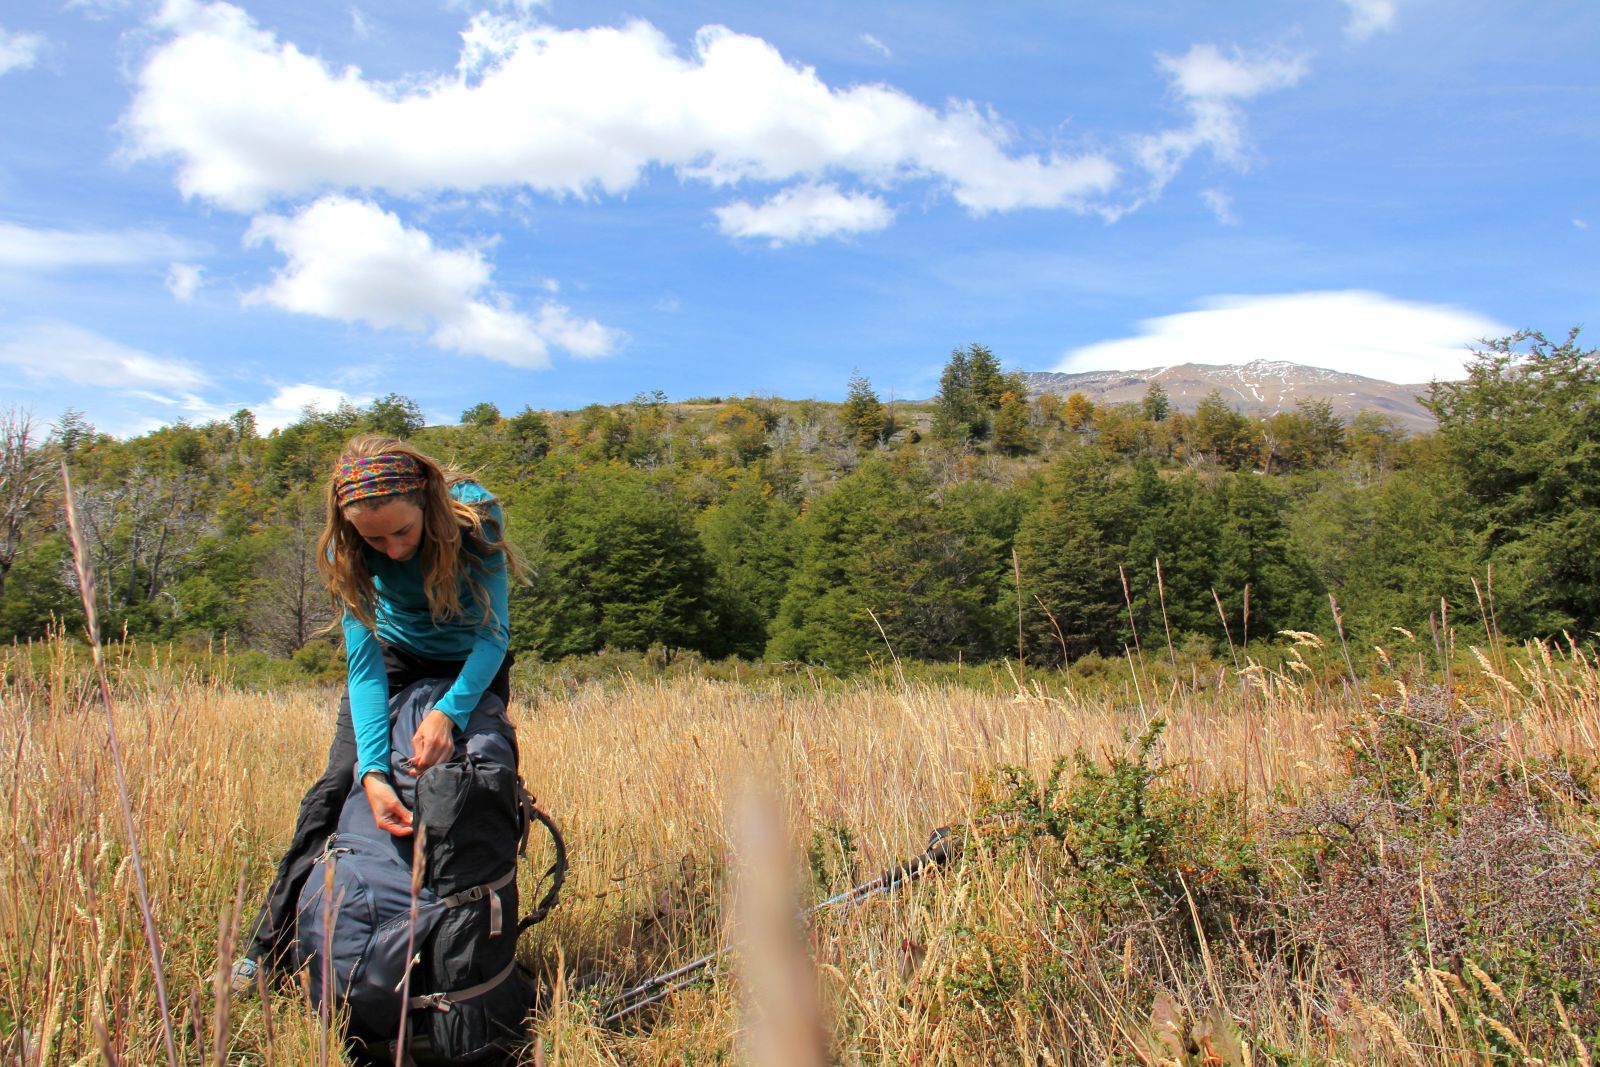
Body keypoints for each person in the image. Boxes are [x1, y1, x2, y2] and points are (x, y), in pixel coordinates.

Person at [232, 434, 518, 990]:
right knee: (337, 785)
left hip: (472, 660)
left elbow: (493, 637)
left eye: (402, 532)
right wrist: (372, 770)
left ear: (428, 502)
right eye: (373, 538)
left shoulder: (476, 515)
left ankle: (459, 943)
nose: (391, 549)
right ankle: (267, 946)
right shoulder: (349, 549)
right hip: (393, 657)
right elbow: (363, 668)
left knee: (473, 788)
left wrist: (448, 714)